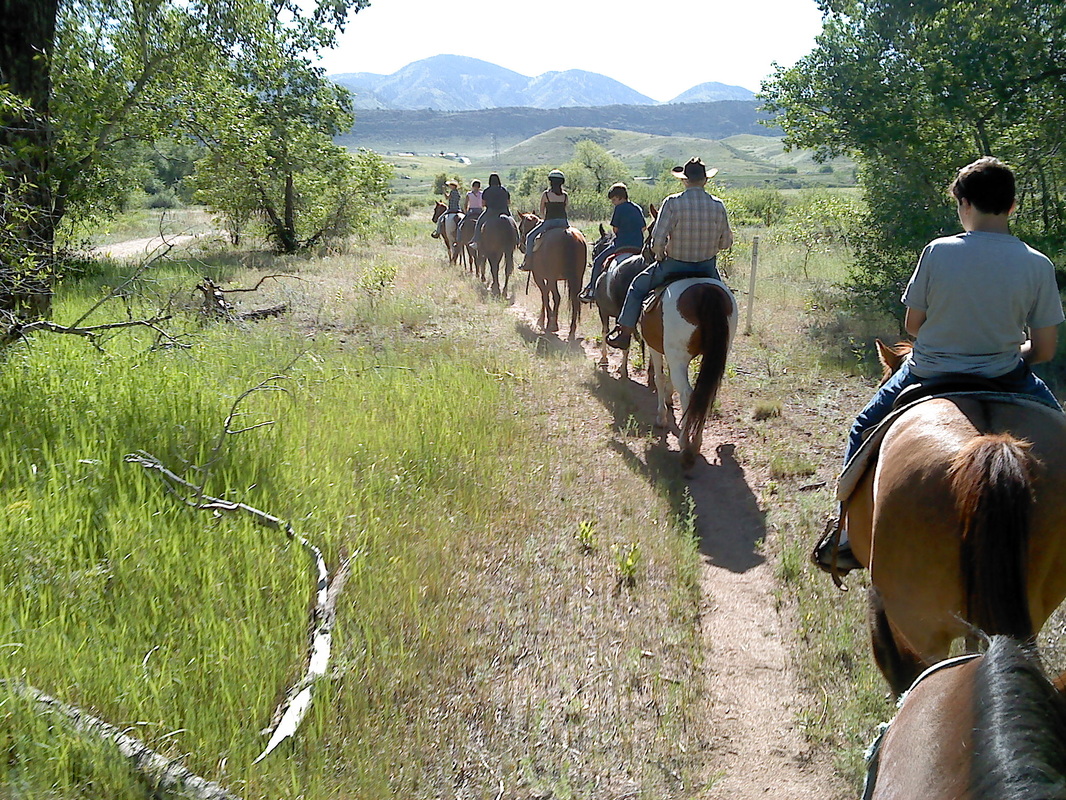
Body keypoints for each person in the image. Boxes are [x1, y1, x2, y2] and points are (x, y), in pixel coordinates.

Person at [814, 156, 1065, 573]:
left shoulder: (939, 251)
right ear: (1012, 205)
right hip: (1005, 375)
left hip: (929, 372)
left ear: (963, 204)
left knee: (863, 425)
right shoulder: (1038, 263)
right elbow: (1044, 349)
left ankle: (843, 530)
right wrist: (1009, 352)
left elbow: (913, 325)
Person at [606, 158, 733, 349]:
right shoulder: (718, 205)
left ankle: (624, 333)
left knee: (637, 287)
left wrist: (660, 256)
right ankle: (727, 338)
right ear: (705, 180)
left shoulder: (672, 203)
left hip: (674, 266)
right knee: (726, 299)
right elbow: (726, 243)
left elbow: (658, 240)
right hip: (707, 268)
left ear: (684, 180)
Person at [580, 183, 646, 302]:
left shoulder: (619, 208)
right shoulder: (637, 208)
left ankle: (592, 290)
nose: (613, 203)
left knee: (598, 261)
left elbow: (615, 229)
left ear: (620, 197)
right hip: (638, 246)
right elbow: (643, 228)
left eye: (614, 200)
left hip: (621, 245)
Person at [518, 169, 569, 271]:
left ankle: (527, 262)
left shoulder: (546, 195)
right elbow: (566, 209)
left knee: (530, 237)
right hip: (564, 222)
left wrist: (543, 219)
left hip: (549, 222)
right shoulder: (565, 195)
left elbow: (541, 211)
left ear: (551, 182)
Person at [472, 173, 513, 246]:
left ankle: (476, 241)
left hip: (491, 211)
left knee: (479, 222)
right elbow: (508, 202)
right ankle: (518, 240)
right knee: (513, 223)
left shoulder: (487, 191)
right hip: (504, 211)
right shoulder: (504, 190)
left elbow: (483, 204)